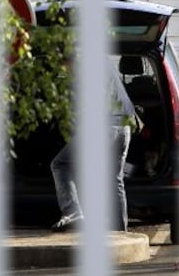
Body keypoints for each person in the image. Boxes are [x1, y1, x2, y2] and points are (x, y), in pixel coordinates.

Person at [50, 59, 137, 232]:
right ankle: (121, 233)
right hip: (124, 128)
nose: (65, 70)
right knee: (115, 180)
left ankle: (72, 211)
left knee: (60, 164)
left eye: (65, 65)